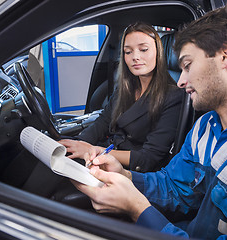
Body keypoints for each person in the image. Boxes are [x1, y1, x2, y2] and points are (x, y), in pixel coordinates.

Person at [71, 4, 227, 239]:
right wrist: (126, 175)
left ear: (226, 55)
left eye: (187, 65)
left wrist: (137, 209)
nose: (180, 81)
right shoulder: (206, 126)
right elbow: (175, 188)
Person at [59, 22, 183, 172]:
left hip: (131, 171)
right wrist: (76, 144)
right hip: (104, 154)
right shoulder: (124, 89)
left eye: (143, 49)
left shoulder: (174, 97)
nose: (135, 57)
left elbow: (148, 158)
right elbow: (102, 123)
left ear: (159, 52)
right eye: (128, 52)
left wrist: (94, 150)